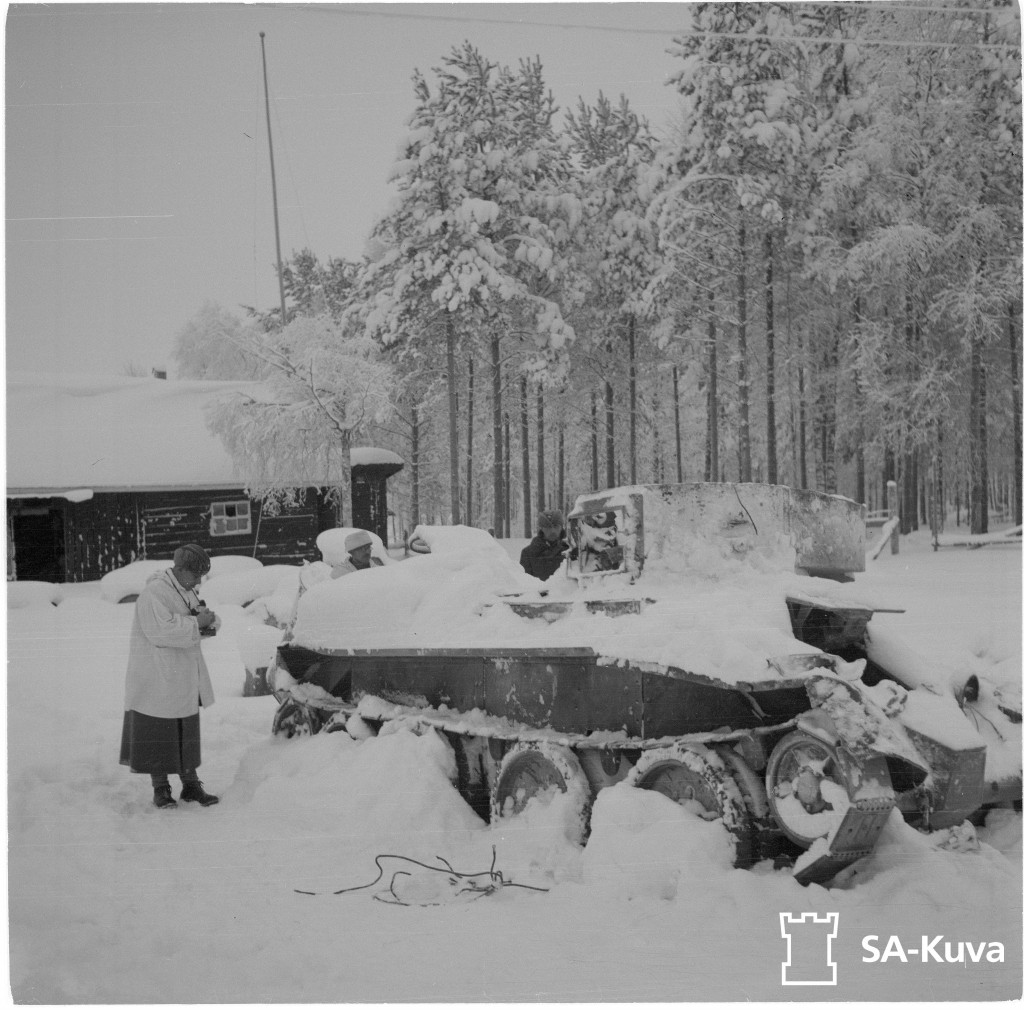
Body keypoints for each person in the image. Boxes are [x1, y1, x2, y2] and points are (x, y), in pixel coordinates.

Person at [119, 543, 220, 809]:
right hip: (156, 677)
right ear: (180, 569)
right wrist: (197, 623)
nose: (199, 581)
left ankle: (190, 785)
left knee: (184, 729)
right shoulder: (154, 594)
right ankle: (160, 788)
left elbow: (197, 617)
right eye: (196, 575)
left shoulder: (185, 591)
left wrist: (209, 620)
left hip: (181, 675)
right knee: (157, 731)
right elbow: (160, 632)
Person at [519, 509, 569, 581]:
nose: (552, 531)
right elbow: (525, 583)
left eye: (556, 526)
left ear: (562, 527)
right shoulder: (528, 554)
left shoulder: (572, 550)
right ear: (541, 528)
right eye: (548, 527)